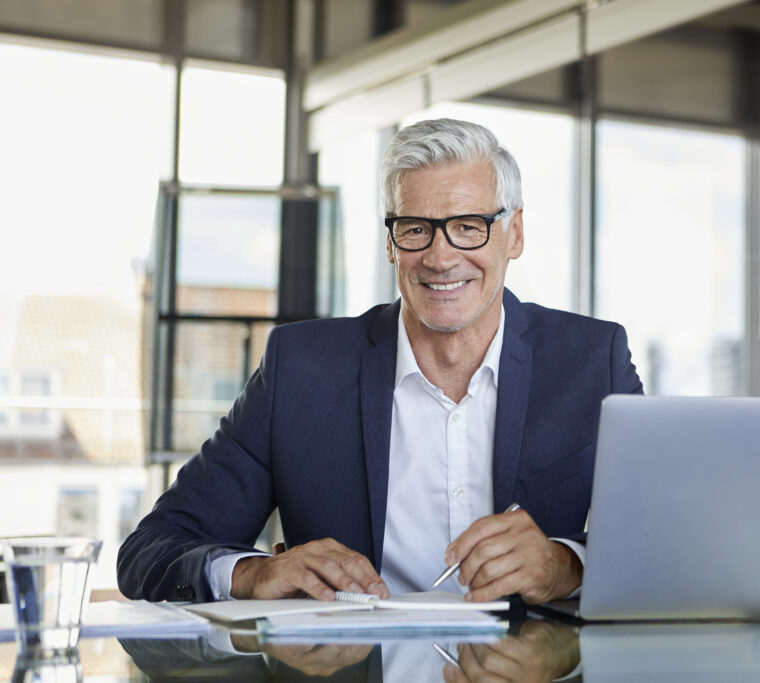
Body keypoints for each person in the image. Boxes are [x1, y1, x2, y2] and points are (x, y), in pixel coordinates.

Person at [117, 118, 643, 605]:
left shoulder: (593, 362)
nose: (440, 257)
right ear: (391, 243)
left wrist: (567, 565)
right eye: (416, 228)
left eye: (469, 226)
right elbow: (150, 550)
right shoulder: (299, 370)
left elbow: (665, 539)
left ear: (516, 233)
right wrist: (252, 574)